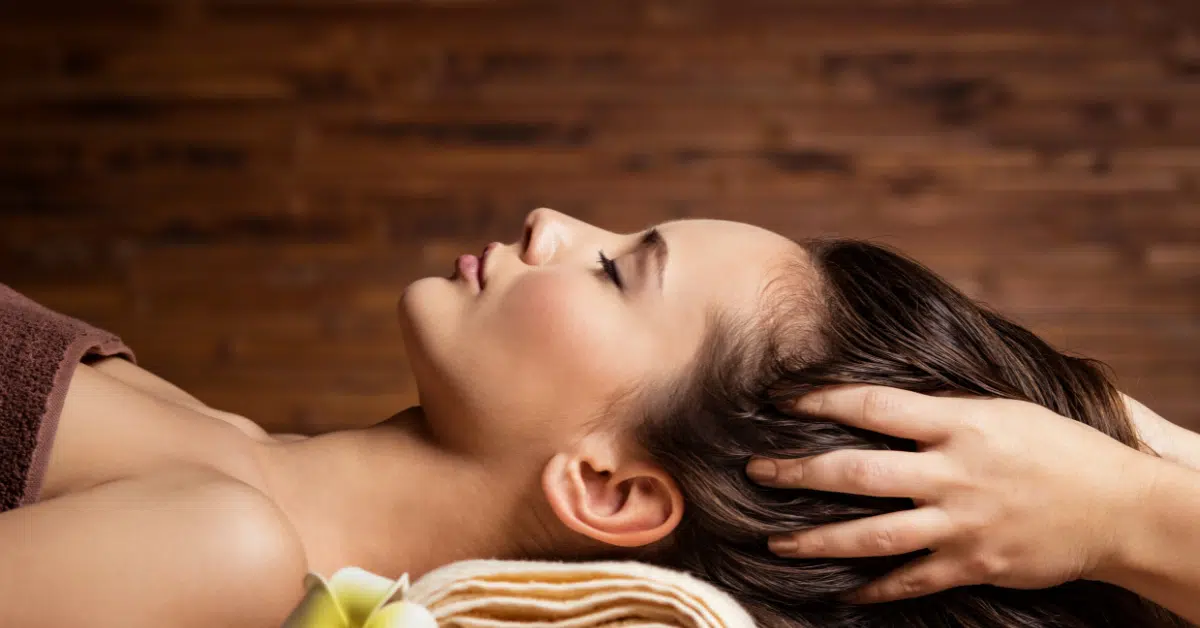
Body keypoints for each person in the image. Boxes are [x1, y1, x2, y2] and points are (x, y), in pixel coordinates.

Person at [0, 208, 1196, 627]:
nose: (550, 223)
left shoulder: (219, 549)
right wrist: (1103, 485)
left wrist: (1127, 508)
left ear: (614, 488)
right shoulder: (210, 458)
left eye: (621, 269)